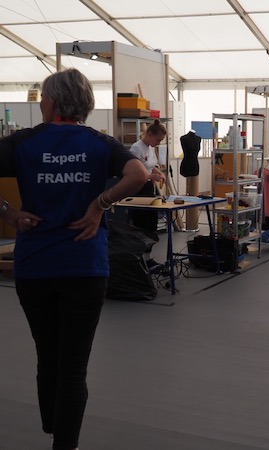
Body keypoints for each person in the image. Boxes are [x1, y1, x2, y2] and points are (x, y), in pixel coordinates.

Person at [0, 68, 148, 450]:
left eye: (42, 99)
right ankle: (64, 442)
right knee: (73, 365)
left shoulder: (24, 142)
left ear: (51, 102)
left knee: (47, 353)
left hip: (35, 267)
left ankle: (52, 426)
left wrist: (9, 213)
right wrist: (99, 205)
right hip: (85, 267)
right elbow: (138, 173)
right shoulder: (100, 144)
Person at [128, 119, 167, 265]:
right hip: (138, 190)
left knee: (151, 225)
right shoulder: (136, 148)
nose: (158, 143)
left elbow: (151, 166)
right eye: (158, 140)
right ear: (149, 134)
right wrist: (150, 176)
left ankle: (147, 258)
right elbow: (133, 171)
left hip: (149, 189)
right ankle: (139, 260)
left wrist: (159, 173)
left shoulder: (150, 148)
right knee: (141, 225)